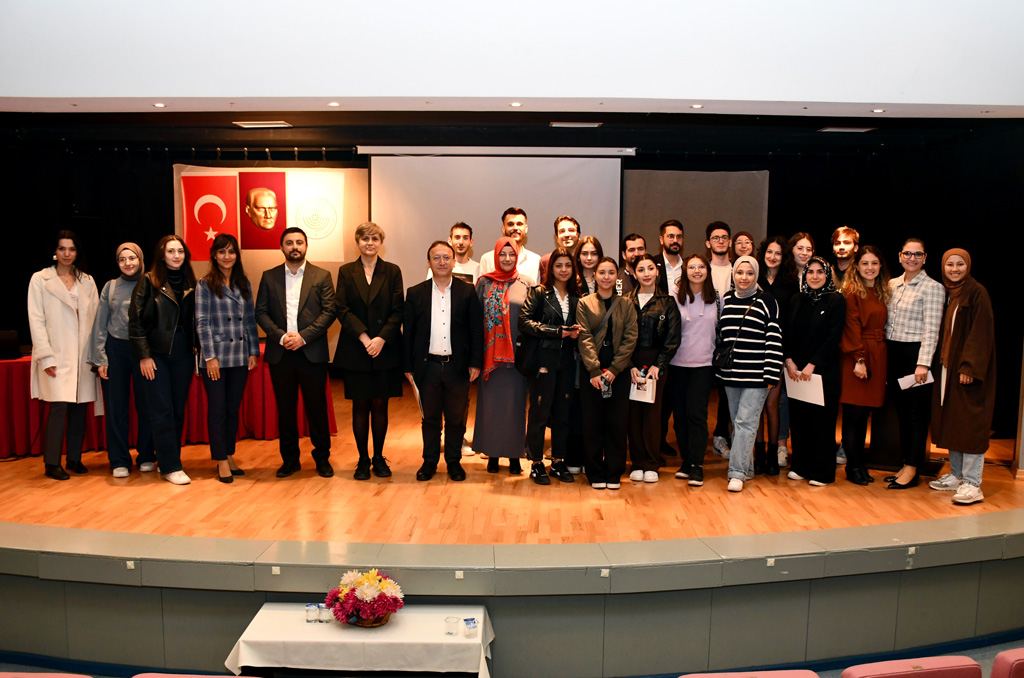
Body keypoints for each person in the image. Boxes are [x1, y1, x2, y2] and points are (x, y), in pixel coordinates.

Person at [254, 227, 336, 479]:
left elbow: (329, 311)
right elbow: (261, 312)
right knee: (286, 410)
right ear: (282, 247)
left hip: (311, 352)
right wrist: (280, 336)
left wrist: (304, 337)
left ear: (306, 246)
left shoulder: (321, 275)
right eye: (289, 243)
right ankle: (290, 460)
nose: (294, 247)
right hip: (281, 354)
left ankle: (322, 459)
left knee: (317, 409)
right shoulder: (269, 276)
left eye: (299, 242)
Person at [404, 241, 483, 481]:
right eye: (436, 258)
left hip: (457, 367)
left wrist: (475, 362)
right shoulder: (415, 293)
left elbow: (476, 330)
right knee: (430, 419)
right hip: (427, 367)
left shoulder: (466, 291)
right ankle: (429, 462)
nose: (441, 262)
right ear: (429, 262)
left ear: (453, 261)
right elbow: (408, 333)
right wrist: (408, 367)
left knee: (456, 419)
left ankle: (453, 462)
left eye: (446, 257)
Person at [333, 222, 404, 481]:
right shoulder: (346, 271)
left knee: (380, 404)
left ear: (381, 242)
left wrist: (381, 339)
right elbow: (341, 309)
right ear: (358, 242)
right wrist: (365, 338)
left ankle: (379, 458)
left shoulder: (392, 271)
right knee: (360, 404)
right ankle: (363, 460)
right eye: (365, 238)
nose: (370, 243)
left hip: (385, 348)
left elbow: (398, 310)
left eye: (374, 238)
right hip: (356, 348)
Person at [28, 230, 101, 481]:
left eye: (71, 249)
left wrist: (97, 354)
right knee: (59, 407)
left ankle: (74, 458)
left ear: (77, 252)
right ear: (55, 251)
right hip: (56, 354)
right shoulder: (40, 279)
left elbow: (96, 319)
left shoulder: (88, 281)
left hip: (83, 355)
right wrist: (46, 356)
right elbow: (36, 320)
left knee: (79, 407)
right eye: (62, 249)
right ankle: (52, 462)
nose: (67, 254)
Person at [928, 249, 995, 505]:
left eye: (960, 264)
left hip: (967, 371)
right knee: (953, 422)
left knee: (969, 425)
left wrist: (969, 367)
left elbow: (981, 333)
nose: (954, 269)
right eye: (950, 264)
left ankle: (972, 483)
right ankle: (957, 475)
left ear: (968, 266)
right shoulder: (948, 293)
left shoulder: (976, 292)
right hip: (948, 367)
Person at [128, 235, 196, 485]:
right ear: (162, 254)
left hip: (183, 354)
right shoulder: (148, 280)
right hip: (156, 355)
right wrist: (144, 355)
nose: (176, 256)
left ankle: (169, 460)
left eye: (180, 251)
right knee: (161, 410)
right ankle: (171, 467)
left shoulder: (191, 282)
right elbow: (135, 321)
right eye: (171, 251)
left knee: (177, 410)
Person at [195, 234, 260, 484]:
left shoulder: (243, 283)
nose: (227, 256)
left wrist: (253, 351)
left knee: (233, 409)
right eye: (222, 251)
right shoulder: (205, 284)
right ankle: (220, 458)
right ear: (214, 255)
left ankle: (230, 454)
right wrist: (209, 356)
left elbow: (250, 320)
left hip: (240, 356)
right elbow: (202, 323)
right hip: (217, 358)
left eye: (231, 252)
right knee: (218, 409)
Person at [89, 242, 156, 478]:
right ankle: (119, 460)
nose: (128, 263)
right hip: (115, 350)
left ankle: (146, 455)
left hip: (143, 351)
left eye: (132, 258)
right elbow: (100, 324)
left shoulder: (152, 282)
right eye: (122, 259)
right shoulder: (110, 287)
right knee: (116, 407)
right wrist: (100, 359)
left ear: (140, 259)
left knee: (147, 405)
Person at [716, 256, 783, 492]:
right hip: (731, 375)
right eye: (740, 273)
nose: (744, 278)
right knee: (737, 422)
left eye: (750, 273)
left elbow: (774, 339)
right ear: (733, 275)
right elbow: (721, 336)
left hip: (757, 376)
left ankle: (736, 473)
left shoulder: (767, 301)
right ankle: (748, 468)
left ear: (756, 275)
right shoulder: (726, 299)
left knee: (746, 422)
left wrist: (771, 374)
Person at [884, 237, 945, 489]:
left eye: (917, 254)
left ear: (925, 258)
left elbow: (932, 330)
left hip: (915, 357)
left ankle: (912, 466)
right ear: (900, 256)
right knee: (901, 413)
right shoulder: (892, 284)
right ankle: (906, 464)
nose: (912, 258)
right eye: (907, 253)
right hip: (893, 353)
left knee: (915, 415)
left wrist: (923, 364)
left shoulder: (933, 288)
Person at [519, 247, 582, 484]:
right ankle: (536, 463)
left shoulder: (577, 296)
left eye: (567, 265)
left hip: (568, 360)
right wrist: (557, 332)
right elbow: (524, 322)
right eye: (559, 265)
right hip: (543, 360)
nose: (563, 270)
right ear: (551, 269)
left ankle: (558, 461)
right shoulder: (539, 292)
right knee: (539, 412)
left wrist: (576, 332)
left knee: (563, 414)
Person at [783, 257, 847, 486]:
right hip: (796, 372)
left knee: (822, 423)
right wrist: (788, 360)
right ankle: (800, 466)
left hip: (822, 372)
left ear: (828, 275)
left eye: (820, 272)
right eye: (810, 272)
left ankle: (822, 473)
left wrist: (812, 365)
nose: (815, 276)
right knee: (800, 421)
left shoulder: (836, 300)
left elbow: (833, 337)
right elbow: (786, 332)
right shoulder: (796, 299)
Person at [577, 257, 638, 490]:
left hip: (618, 370)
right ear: (595, 275)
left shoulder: (626, 304)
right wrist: (594, 370)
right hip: (591, 371)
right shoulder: (585, 303)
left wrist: (614, 369)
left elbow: (631, 338)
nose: (606, 277)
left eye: (611, 273)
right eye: (602, 272)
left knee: (617, 423)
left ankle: (614, 472)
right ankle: (595, 471)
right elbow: (584, 338)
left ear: (616, 277)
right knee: (592, 422)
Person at [474, 237, 532, 474]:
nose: (507, 258)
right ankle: (493, 454)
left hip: (517, 358)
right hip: (490, 358)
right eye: (502, 254)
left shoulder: (527, 283)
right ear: (496, 256)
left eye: (511, 254)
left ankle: (514, 455)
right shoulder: (484, 283)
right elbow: (475, 320)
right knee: (491, 408)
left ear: (517, 257)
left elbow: (532, 321)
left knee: (515, 407)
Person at [838, 245, 890, 486]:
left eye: (874, 263)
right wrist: (859, 359)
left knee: (864, 415)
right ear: (856, 267)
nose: (870, 268)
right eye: (865, 263)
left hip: (878, 353)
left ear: (880, 266)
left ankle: (859, 463)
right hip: (858, 355)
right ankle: (853, 466)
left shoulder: (881, 291)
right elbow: (851, 327)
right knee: (854, 415)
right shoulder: (851, 291)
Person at [626, 254, 681, 483]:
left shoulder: (667, 302)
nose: (646, 273)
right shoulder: (626, 301)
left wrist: (659, 365)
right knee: (633, 414)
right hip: (629, 363)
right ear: (634, 273)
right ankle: (637, 462)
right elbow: (619, 336)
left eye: (650, 268)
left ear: (657, 272)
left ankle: (651, 463)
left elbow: (673, 338)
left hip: (656, 364)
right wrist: (629, 365)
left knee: (652, 414)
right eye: (641, 269)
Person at [670, 254, 719, 487]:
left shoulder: (717, 298)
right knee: (679, 416)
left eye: (701, 266)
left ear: (707, 270)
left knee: (697, 416)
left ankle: (697, 465)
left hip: (704, 365)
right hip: (677, 364)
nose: (697, 270)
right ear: (685, 271)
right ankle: (686, 461)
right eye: (692, 267)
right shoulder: (674, 297)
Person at [756, 236, 798, 472]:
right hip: (754, 349)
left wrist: (787, 355)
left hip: (777, 349)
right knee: (756, 405)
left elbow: (791, 323)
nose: (772, 257)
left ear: (784, 258)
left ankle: (773, 456)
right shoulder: (754, 278)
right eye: (769, 252)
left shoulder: (790, 283)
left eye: (778, 253)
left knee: (772, 404)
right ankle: (758, 456)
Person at [705, 221, 733, 458]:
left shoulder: (739, 269)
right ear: (708, 243)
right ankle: (696, 439)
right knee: (701, 391)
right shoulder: (701, 270)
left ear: (730, 242)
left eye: (724, 237)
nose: (720, 241)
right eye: (716, 238)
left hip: (731, 341)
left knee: (726, 392)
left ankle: (721, 436)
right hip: (704, 339)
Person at [478, 207, 540, 283]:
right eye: (510, 224)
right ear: (503, 229)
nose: (515, 228)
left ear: (526, 228)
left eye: (519, 224)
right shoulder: (487, 259)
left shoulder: (536, 260)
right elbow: (481, 288)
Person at [537, 215, 581, 282]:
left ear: (578, 235)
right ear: (557, 237)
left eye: (571, 230)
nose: (567, 235)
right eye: (562, 231)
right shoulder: (546, 261)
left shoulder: (586, 259)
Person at [652, 219, 685, 295]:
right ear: (661, 240)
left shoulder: (687, 266)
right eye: (671, 236)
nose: (675, 240)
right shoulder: (652, 264)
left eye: (679, 236)